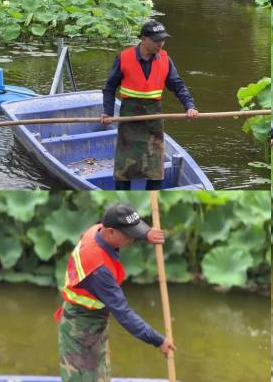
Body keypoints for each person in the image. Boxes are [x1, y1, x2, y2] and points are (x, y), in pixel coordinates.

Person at [55, 202, 176, 381]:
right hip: (80, 329)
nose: (132, 239)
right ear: (110, 231)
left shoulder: (96, 230)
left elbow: (129, 231)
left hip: (96, 320)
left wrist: (146, 233)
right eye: (129, 235)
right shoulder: (98, 270)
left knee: (102, 375)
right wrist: (158, 340)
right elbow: (124, 314)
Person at [101, 20, 199, 190]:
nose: (160, 43)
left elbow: (178, 85)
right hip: (129, 120)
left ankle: (150, 205)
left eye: (163, 39)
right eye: (156, 40)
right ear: (144, 39)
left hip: (154, 121)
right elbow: (109, 87)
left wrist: (189, 106)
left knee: (155, 170)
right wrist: (107, 112)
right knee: (124, 170)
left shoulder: (165, 60)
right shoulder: (124, 58)